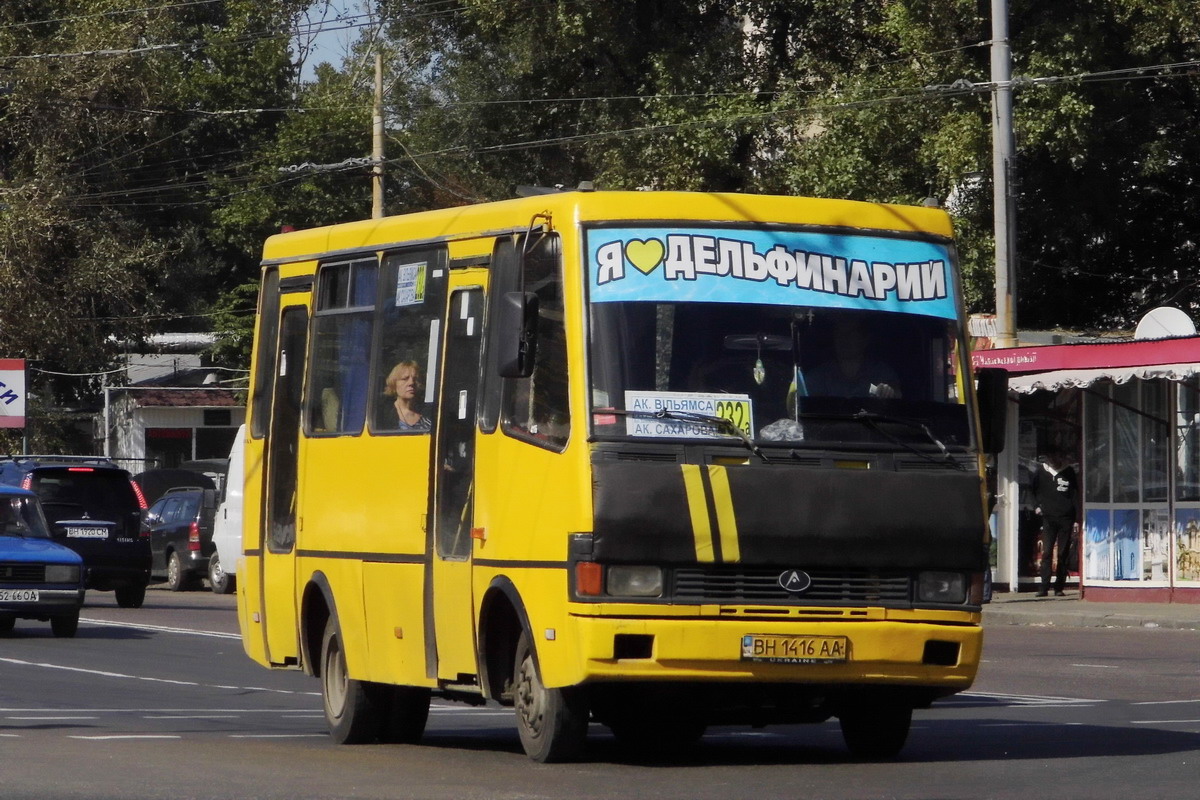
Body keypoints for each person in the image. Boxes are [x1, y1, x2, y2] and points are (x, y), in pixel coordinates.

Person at [805, 315, 901, 399]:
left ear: (865, 339)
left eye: (850, 334)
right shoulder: (817, 377)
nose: (844, 339)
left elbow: (897, 396)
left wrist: (889, 392)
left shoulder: (881, 373)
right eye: (839, 334)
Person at [1033, 451, 1078, 597]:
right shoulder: (1041, 472)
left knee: (1062, 553)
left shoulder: (1069, 472)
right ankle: (1043, 587)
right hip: (1048, 517)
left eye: (1056, 456)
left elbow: (1075, 494)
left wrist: (1077, 517)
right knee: (1046, 552)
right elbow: (1032, 490)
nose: (1053, 460)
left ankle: (1059, 587)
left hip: (1066, 517)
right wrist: (1036, 506)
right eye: (1050, 457)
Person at [384, 360, 431, 432]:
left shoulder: (429, 414)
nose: (411, 383)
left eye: (415, 379)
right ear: (394, 383)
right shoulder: (383, 414)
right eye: (405, 379)